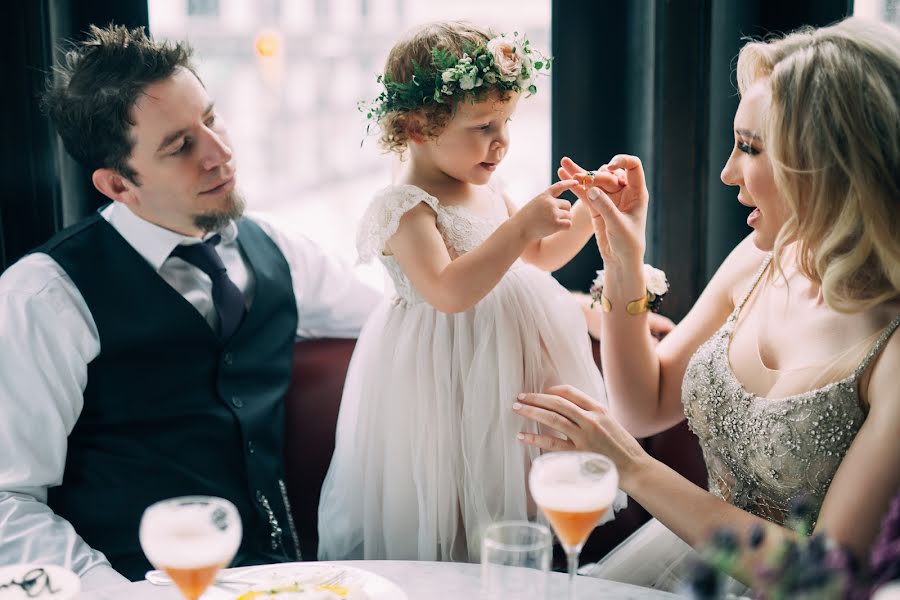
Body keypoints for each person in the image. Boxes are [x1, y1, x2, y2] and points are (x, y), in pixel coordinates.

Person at [513, 16, 900, 593]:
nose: (726, 172)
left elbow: (824, 580)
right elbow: (645, 406)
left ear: (830, 163)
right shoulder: (761, 257)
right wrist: (624, 260)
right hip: (687, 559)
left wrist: (633, 468)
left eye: (750, 148)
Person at [0, 25, 380, 588]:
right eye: (181, 145)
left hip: (290, 578)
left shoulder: (278, 251)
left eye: (213, 117)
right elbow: (8, 501)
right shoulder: (43, 296)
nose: (221, 152)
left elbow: (404, 321)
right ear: (117, 185)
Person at [317, 20, 627, 562]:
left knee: (512, 494)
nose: (502, 142)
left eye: (507, 122)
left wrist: (589, 208)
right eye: (483, 126)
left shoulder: (488, 190)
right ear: (417, 127)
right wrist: (518, 228)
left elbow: (540, 258)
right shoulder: (405, 207)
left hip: (506, 374)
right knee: (452, 501)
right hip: (445, 381)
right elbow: (447, 291)